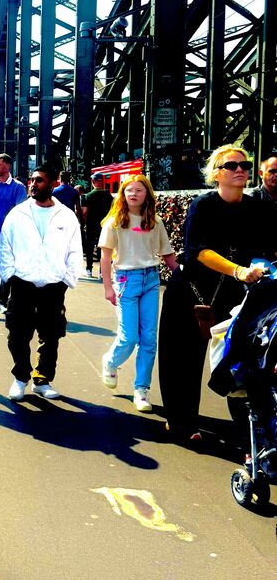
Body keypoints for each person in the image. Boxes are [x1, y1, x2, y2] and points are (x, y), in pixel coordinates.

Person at [158, 145, 272, 444]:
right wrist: (238, 270)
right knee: (183, 361)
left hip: (233, 293)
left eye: (245, 166)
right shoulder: (203, 205)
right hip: (192, 291)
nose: (240, 170)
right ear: (216, 174)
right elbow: (198, 251)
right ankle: (181, 423)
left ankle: (250, 432)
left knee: (241, 359)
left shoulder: (256, 208)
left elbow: (267, 249)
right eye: (231, 166)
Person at [0, 162, 84, 401]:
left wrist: (67, 279)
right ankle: (20, 378)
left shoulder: (66, 216)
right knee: (17, 335)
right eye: (32, 180)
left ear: (53, 183)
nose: (33, 184)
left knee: (51, 335)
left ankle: (42, 379)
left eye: (39, 180)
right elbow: (5, 247)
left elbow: (75, 250)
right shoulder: (17, 214)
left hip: (53, 285)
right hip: (22, 283)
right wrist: (10, 276)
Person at [98, 175, 179, 412]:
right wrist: (108, 287)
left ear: (147, 194)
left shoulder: (156, 222)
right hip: (126, 280)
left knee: (149, 339)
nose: (133, 194)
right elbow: (105, 257)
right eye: (129, 190)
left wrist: (183, 275)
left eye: (139, 190)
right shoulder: (114, 222)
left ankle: (141, 389)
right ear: (122, 194)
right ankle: (111, 360)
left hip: (151, 279)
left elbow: (167, 255)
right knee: (129, 337)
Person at [0, 153, 27, 312]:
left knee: (7, 269)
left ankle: (3, 301)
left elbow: (21, 211)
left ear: (8, 166)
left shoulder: (18, 188)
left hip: (9, 236)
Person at [84, 173, 113, 277]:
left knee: (90, 247)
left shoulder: (87, 196)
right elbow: (112, 211)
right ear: (102, 182)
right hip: (104, 225)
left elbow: (84, 212)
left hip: (91, 225)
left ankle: (89, 269)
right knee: (103, 248)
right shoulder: (108, 196)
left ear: (93, 182)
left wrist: (85, 222)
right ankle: (102, 272)